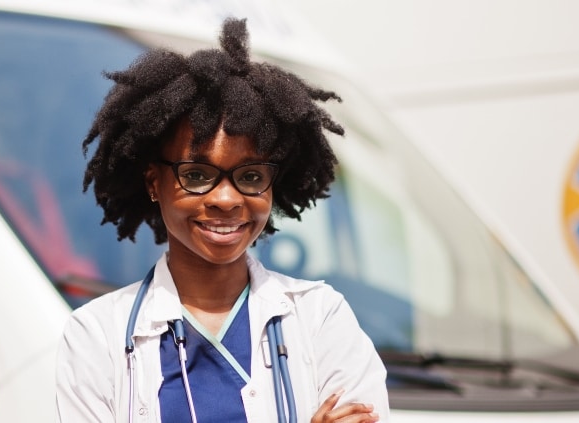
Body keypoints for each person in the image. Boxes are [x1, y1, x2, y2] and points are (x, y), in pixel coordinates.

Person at [56, 18, 389, 423]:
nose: (227, 199)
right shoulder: (97, 337)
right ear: (153, 183)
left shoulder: (322, 318)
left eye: (250, 177)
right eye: (196, 175)